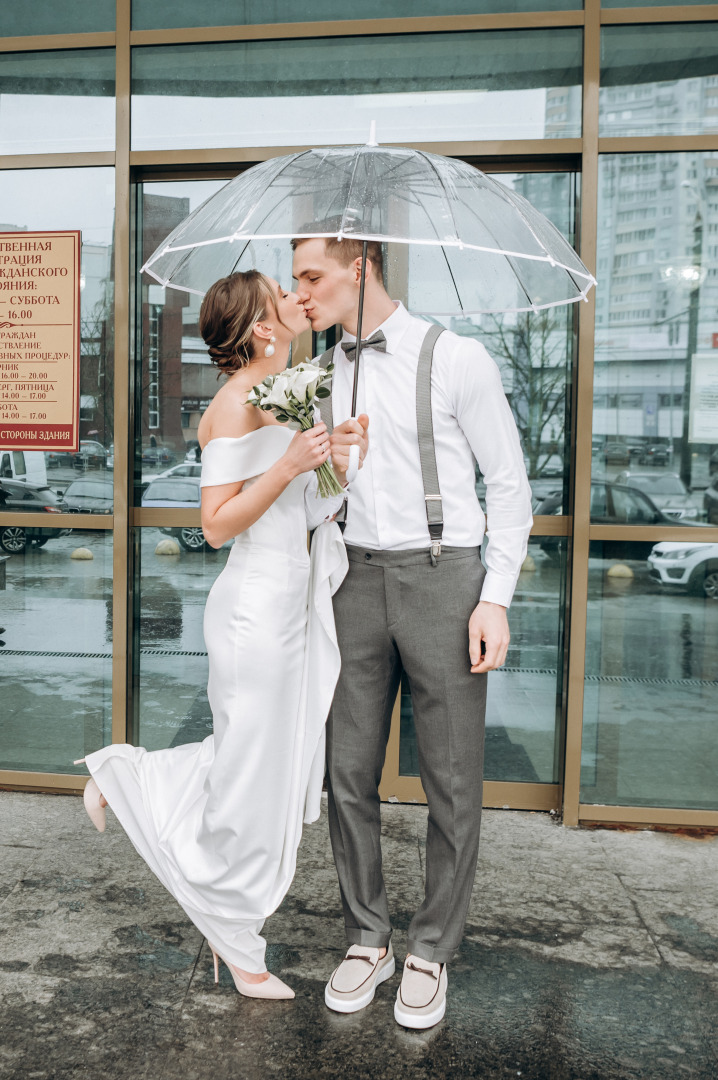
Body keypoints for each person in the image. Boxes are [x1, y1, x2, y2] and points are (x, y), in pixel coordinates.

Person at [74, 269, 363, 1001]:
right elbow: (213, 525)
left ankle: (129, 781)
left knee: (263, 761)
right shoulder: (238, 405)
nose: (300, 301)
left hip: (289, 601)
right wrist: (295, 463)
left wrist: (336, 463)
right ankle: (237, 941)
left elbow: (301, 511)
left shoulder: (283, 396)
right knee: (251, 773)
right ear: (263, 330)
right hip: (254, 609)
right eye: (282, 296)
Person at [292, 233, 533, 1029]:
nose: (303, 290)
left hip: (444, 578)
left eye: (312, 275)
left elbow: (508, 483)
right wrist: (333, 470)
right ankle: (368, 937)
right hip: (352, 578)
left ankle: (430, 948)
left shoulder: (455, 357)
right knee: (349, 771)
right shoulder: (321, 374)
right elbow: (320, 496)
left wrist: (494, 597)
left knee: (453, 781)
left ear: (359, 268)